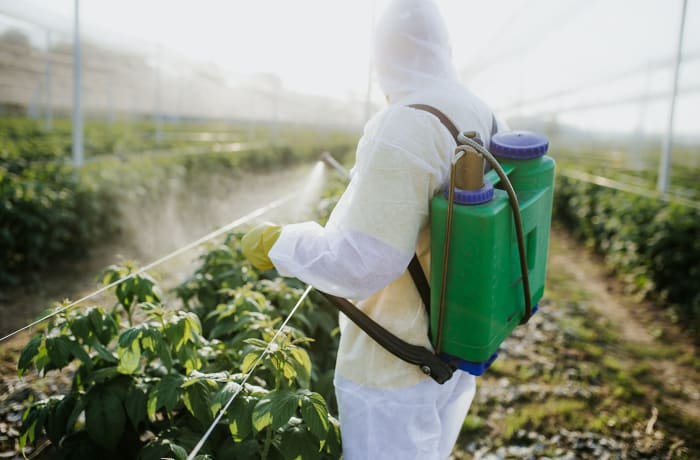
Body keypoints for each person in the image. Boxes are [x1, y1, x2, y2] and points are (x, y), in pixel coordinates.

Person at [242, 0, 504, 458]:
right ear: (443, 47)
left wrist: (279, 243)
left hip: (394, 367)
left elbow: (362, 263)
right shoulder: (480, 110)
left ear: (382, 55)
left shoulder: (405, 124)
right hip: (454, 344)